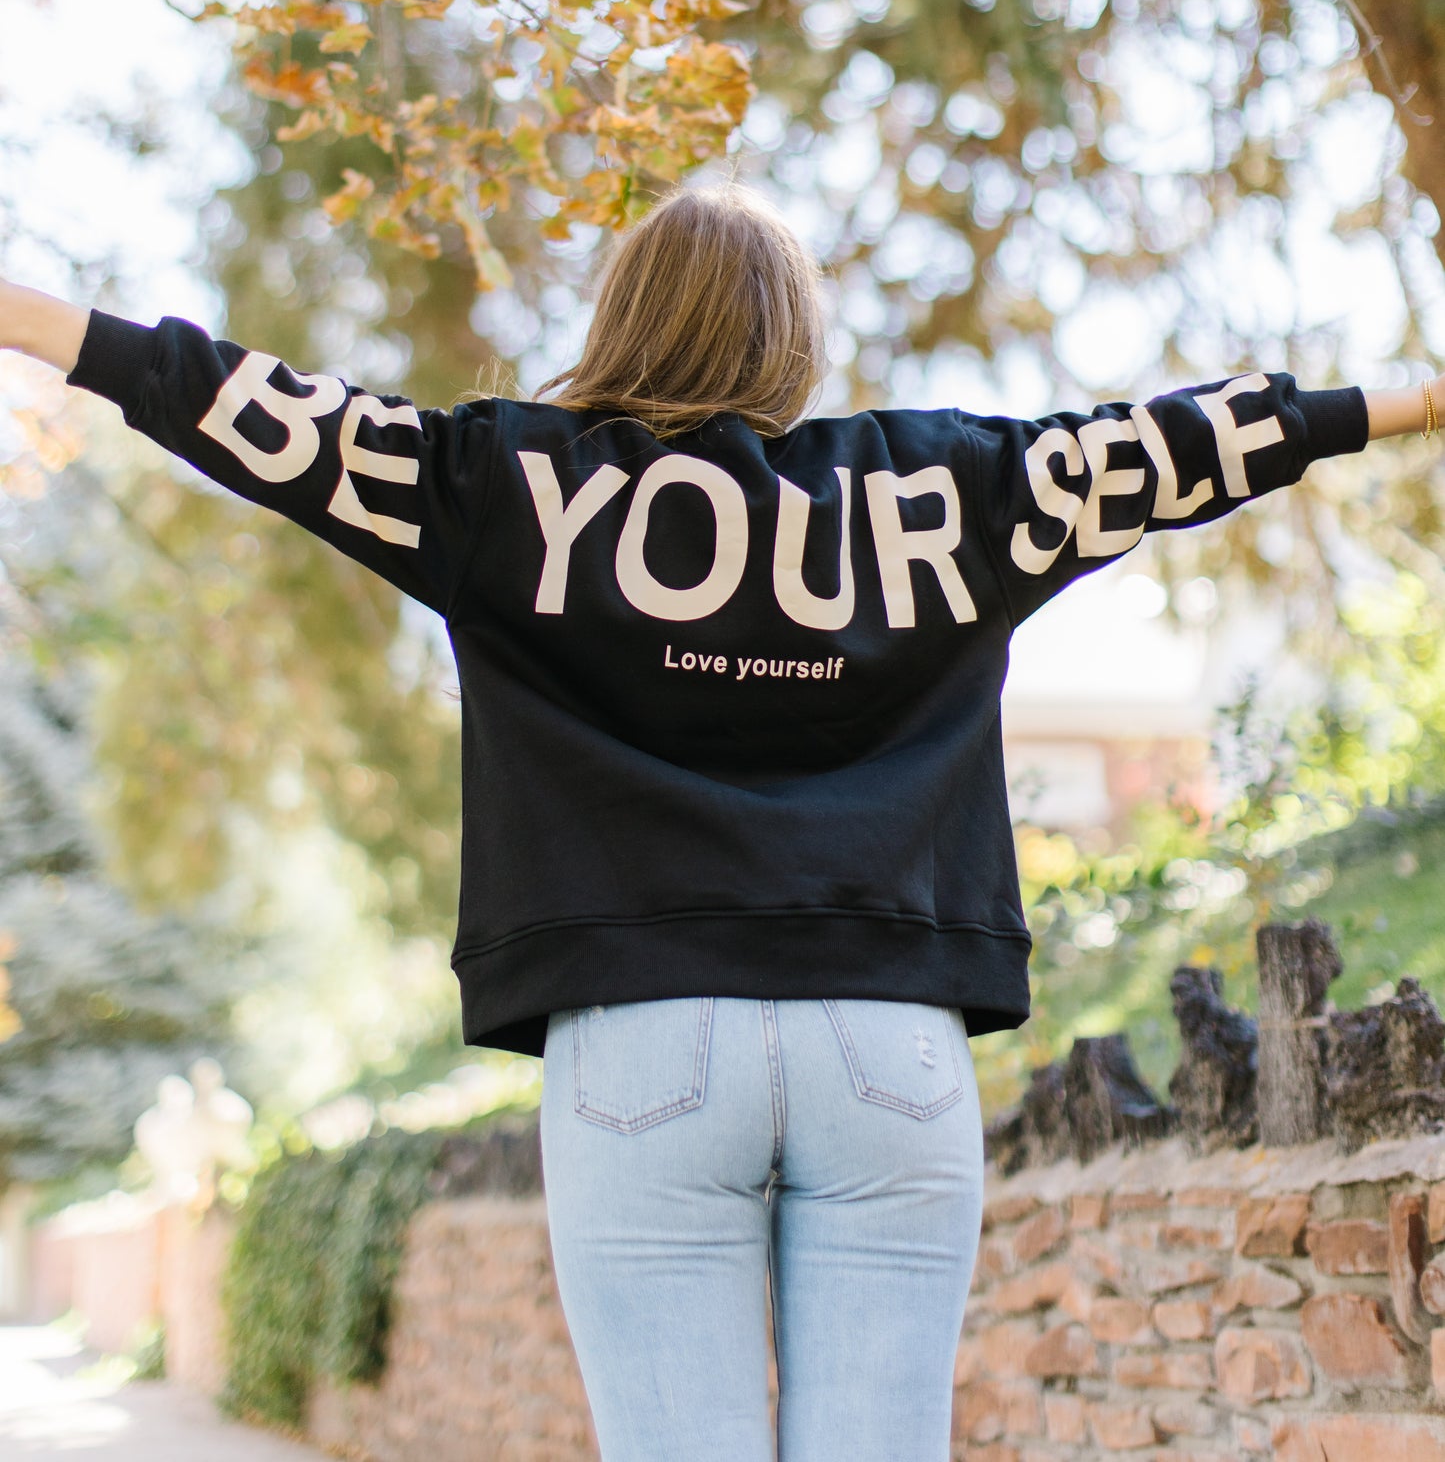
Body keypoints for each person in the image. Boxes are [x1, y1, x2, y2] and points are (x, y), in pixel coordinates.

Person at [0, 183, 1434, 1460]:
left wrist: (28, 316)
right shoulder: (946, 487)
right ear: (791, 338)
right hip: (889, 1044)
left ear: (627, 318)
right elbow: (1185, 443)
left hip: (640, 1041)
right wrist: (1416, 404)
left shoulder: (503, 479)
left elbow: (245, 406)